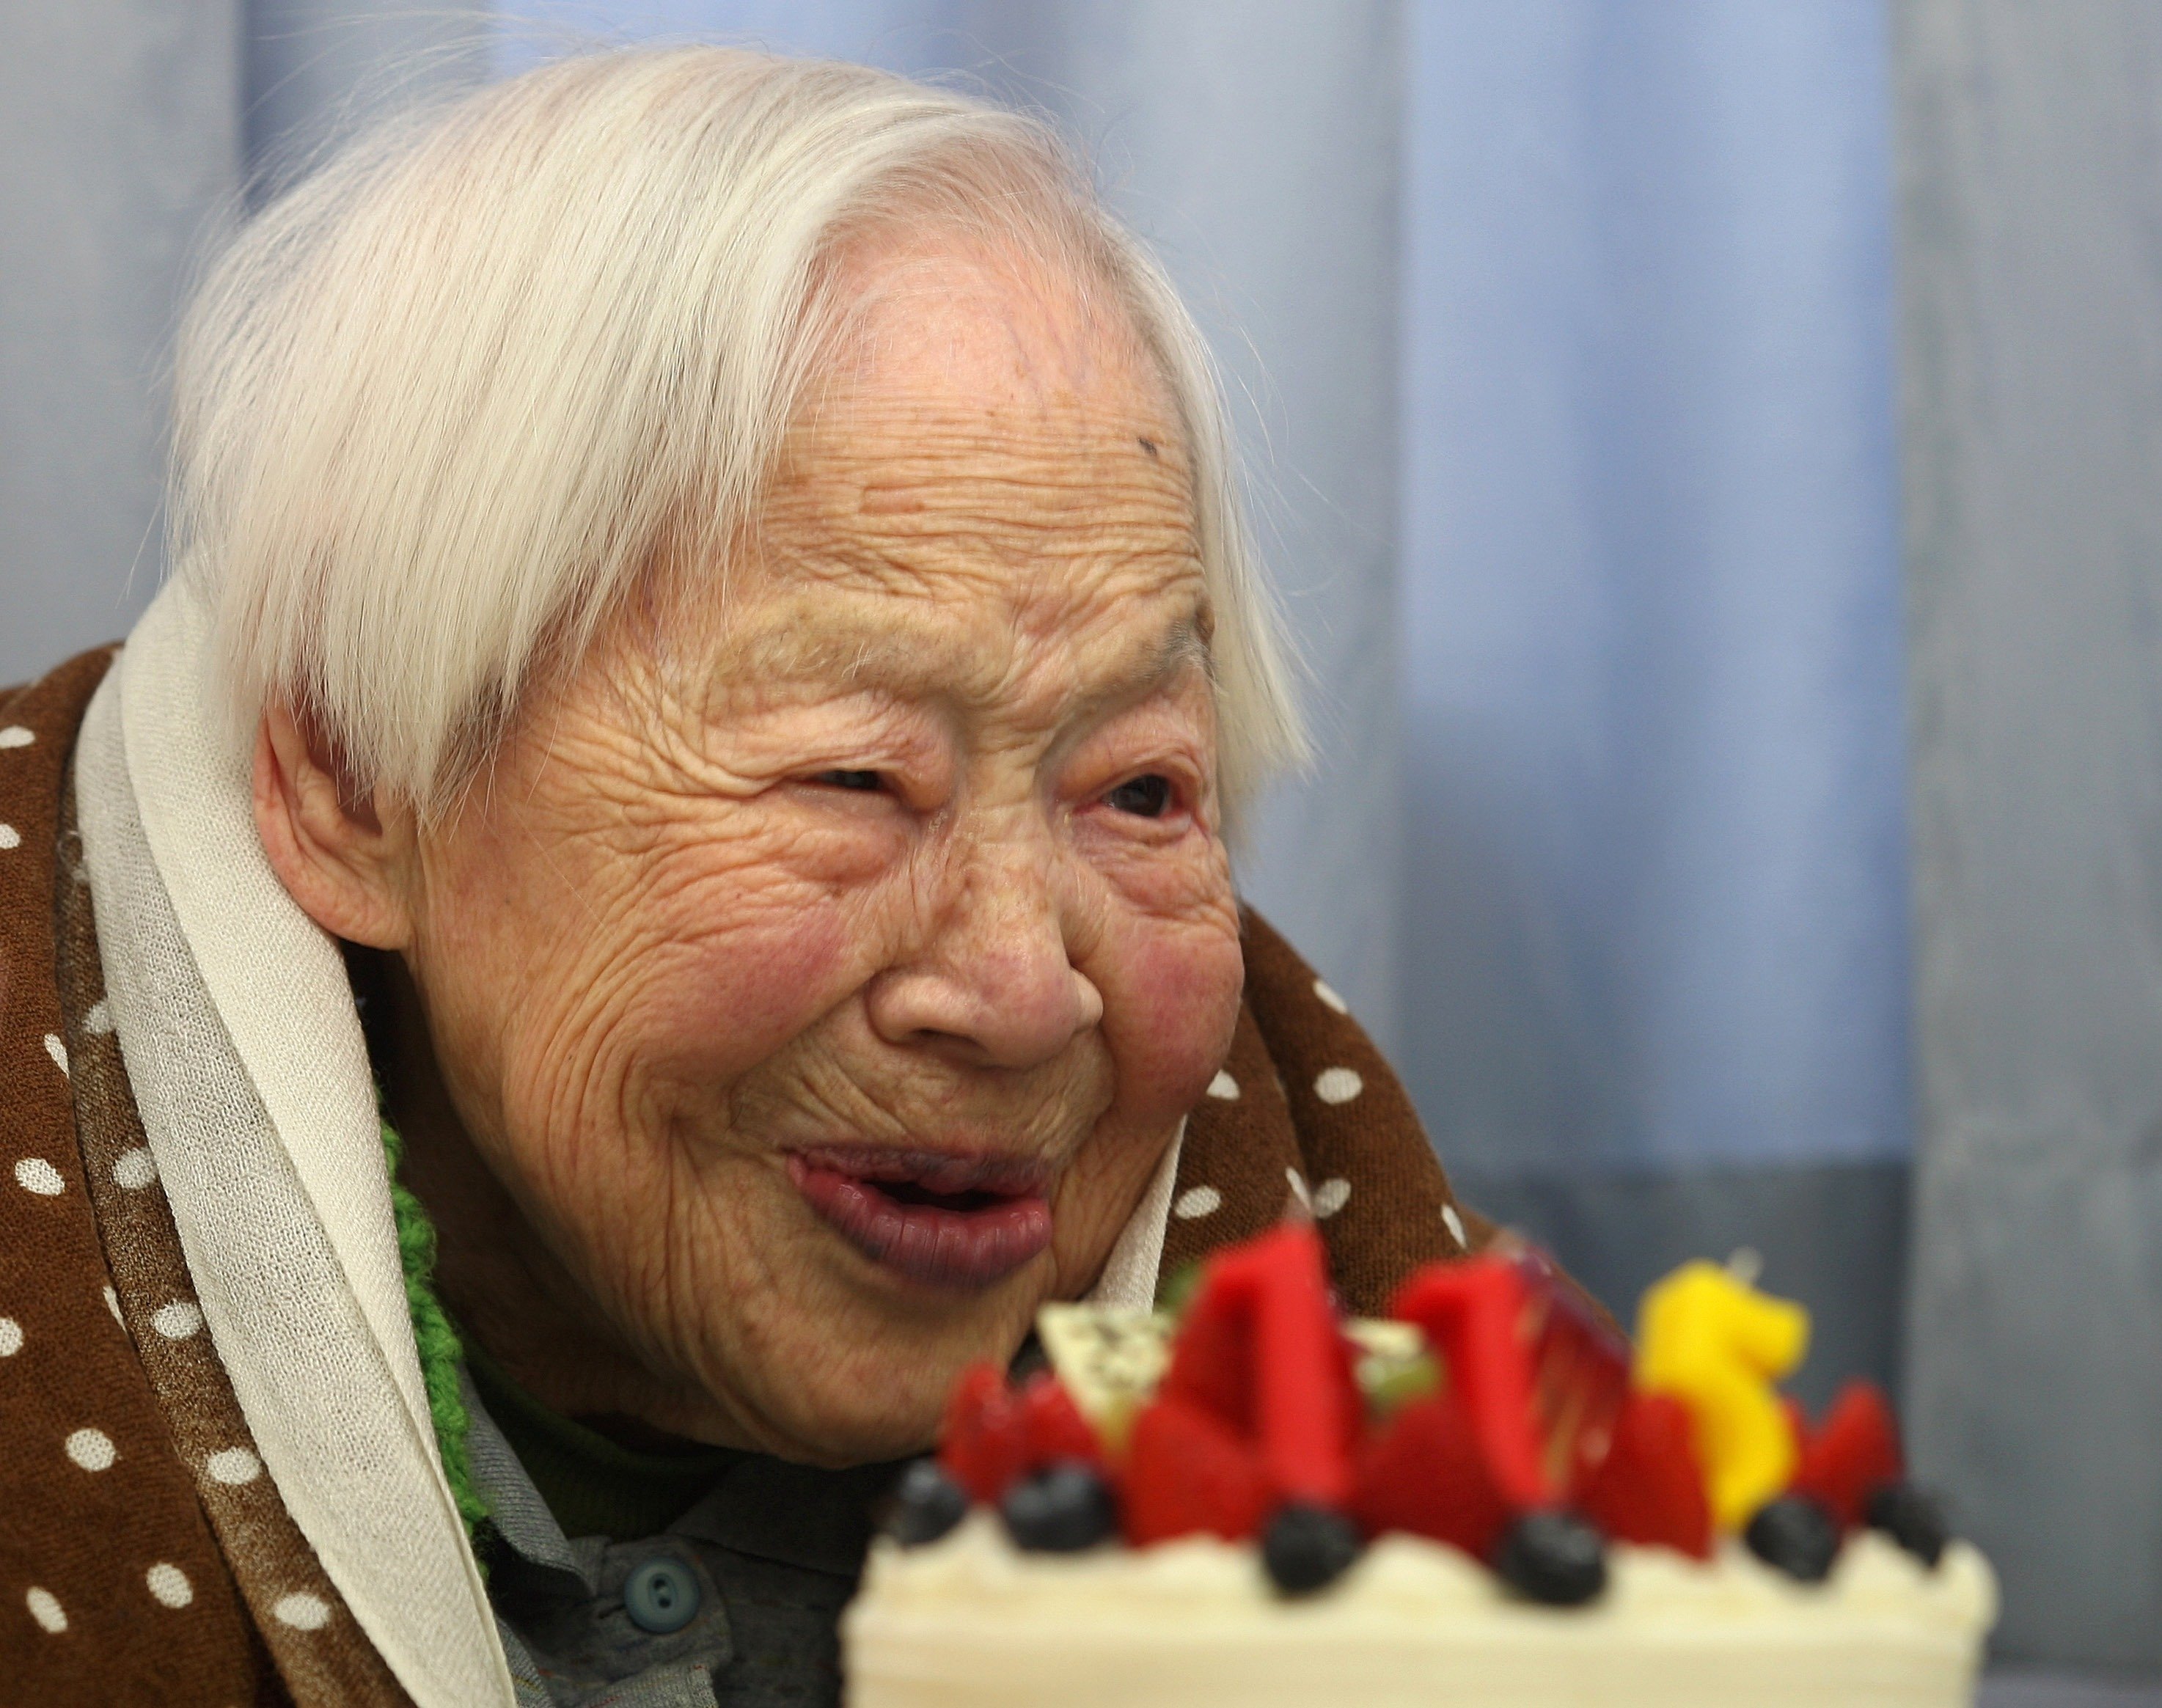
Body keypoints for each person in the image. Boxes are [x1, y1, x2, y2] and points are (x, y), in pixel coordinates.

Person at [0, 46, 1500, 1707]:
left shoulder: (1449, 1398)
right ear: (359, 782)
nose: (1020, 989)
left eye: (1138, 788)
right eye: (855, 779)